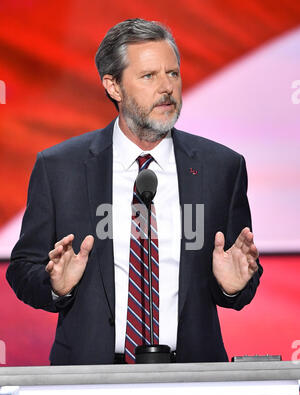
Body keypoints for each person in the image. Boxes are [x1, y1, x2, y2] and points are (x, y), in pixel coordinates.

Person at [6, 18, 263, 365]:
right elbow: (22, 268)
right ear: (113, 86)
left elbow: (240, 274)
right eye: (149, 76)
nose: (166, 88)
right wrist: (55, 287)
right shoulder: (60, 168)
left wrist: (232, 286)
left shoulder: (222, 168)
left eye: (172, 74)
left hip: (193, 377)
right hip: (88, 378)